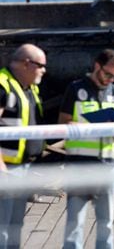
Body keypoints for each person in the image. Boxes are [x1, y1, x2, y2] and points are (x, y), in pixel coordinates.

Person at [59, 49, 114, 249]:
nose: (111, 80)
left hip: (107, 165)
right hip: (79, 165)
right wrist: (86, 128)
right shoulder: (76, 89)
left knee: (106, 224)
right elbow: (63, 123)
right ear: (97, 66)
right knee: (74, 224)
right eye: (108, 74)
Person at [0, 44, 47, 248]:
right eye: (41, 66)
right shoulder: (3, 85)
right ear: (27, 64)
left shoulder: (28, 87)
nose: (44, 70)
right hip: (6, 170)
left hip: (22, 168)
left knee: (15, 226)